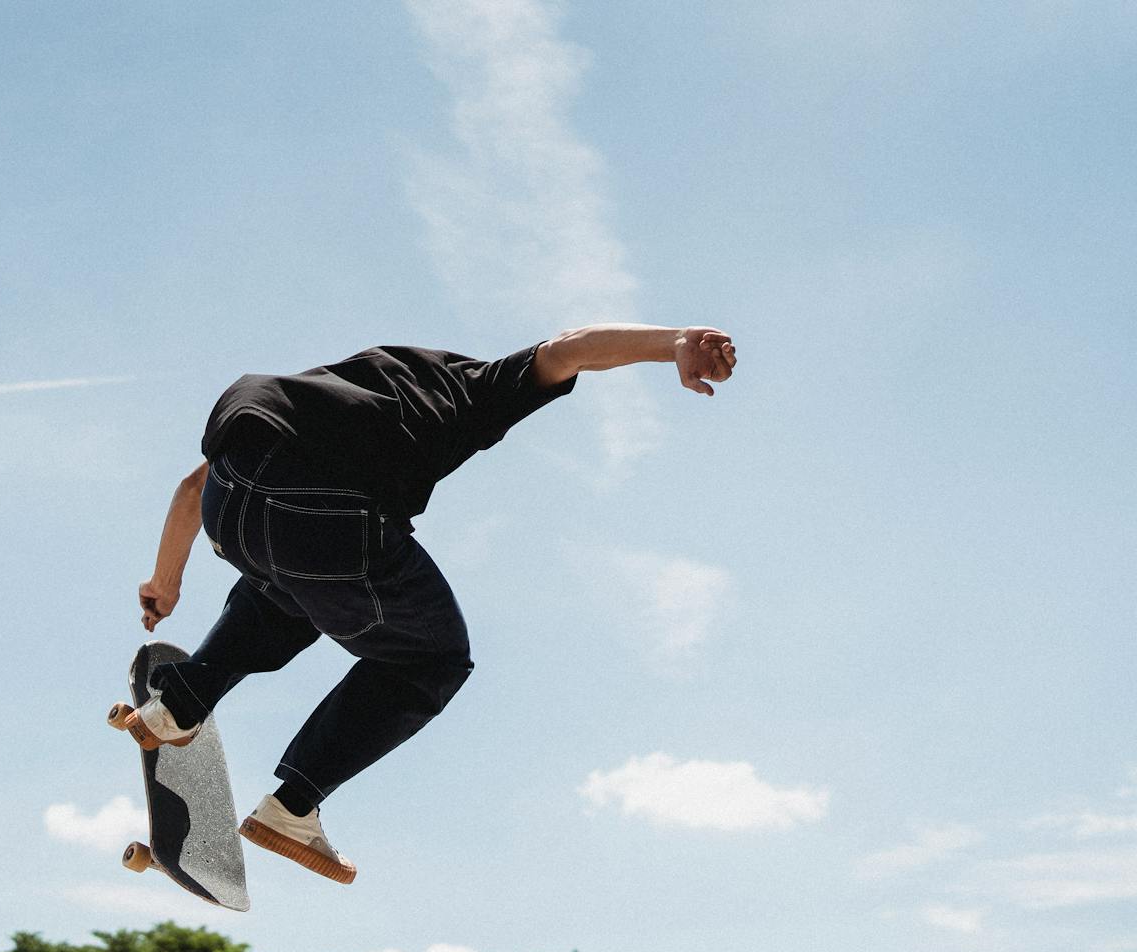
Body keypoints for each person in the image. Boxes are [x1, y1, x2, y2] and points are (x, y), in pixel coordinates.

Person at [114, 324, 737, 884]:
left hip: (234, 502)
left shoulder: (317, 393)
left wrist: (164, 583)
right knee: (433, 657)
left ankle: (181, 703)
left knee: (288, 587)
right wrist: (674, 341)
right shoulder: (471, 393)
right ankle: (292, 806)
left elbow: (193, 488)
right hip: (326, 516)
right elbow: (568, 351)